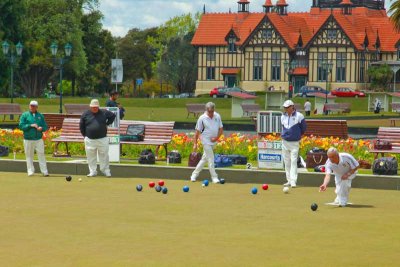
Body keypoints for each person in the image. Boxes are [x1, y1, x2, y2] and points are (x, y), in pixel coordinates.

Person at [80, 99, 116, 177]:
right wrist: (85, 135)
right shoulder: (86, 114)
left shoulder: (104, 112)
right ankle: (93, 171)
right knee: (90, 156)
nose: (94, 108)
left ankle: (106, 170)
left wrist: (107, 123)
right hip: (90, 139)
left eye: (96, 107)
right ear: (90, 107)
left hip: (102, 139)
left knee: (104, 156)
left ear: (98, 107)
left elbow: (113, 115)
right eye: (93, 107)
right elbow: (81, 125)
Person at [190, 102, 223, 184]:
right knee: (211, 158)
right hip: (205, 141)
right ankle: (214, 177)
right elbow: (197, 132)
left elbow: (221, 130)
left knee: (204, 159)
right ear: (206, 110)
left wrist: (216, 138)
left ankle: (194, 175)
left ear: (214, 110)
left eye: (212, 111)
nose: (211, 113)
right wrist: (195, 144)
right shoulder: (202, 118)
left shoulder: (217, 116)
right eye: (209, 112)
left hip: (213, 141)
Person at [18, 100, 49, 176]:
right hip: (28, 139)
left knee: (41, 154)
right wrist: (30, 125)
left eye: (34, 106)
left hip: (38, 139)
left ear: (37, 107)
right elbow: (21, 126)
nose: (32, 107)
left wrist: (41, 128)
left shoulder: (40, 116)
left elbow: (45, 126)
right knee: (29, 155)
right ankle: (30, 171)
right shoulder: (25, 115)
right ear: (29, 106)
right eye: (31, 105)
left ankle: (44, 172)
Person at [281, 100, 306, 187]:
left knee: (294, 161)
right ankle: (288, 180)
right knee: (286, 162)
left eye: (287, 107)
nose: (286, 109)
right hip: (285, 142)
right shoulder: (283, 116)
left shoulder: (299, 116)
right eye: (285, 107)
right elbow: (283, 127)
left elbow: (303, 129)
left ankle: (293, 181)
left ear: (292, 107)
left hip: (295, 142)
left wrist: (297, 136)